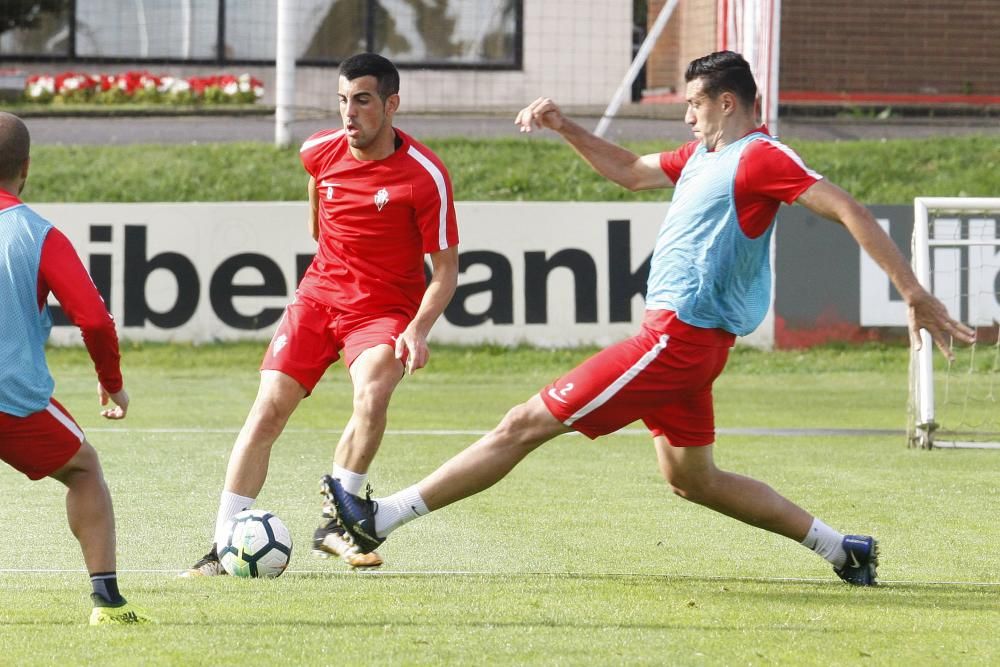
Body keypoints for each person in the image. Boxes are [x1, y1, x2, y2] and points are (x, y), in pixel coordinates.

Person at [329, 51, 976, 585]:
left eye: (694, 102)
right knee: (693, 478)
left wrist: (912, 290)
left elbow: (847, 208)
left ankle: (379, 518)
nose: (687, 114)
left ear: (727, 102)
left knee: (522, 423)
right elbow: (634, 172)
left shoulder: (760, 156)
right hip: (688, 345)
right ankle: (845, 550)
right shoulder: (702, 158)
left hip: (675, 339)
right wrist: (565, 126)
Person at [184, 52, 459, 575]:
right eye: (341, 101)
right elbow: (317, 211)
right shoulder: (318, 151)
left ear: (391, 104)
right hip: (318, 297)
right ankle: (222, 545)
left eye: (362, 100)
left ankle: (339, 516)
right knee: (267, 409)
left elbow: (445, 271)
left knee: (375, 387)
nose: (348, 113)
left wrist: (418, 330)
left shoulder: (426, 176)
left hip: (383, 310)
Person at [0, 112, 153, 625]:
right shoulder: (36, 233)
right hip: (10, 403)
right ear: (25, 168)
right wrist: (112, 385)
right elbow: (93, 318)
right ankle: (107, 604)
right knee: (84, 468)